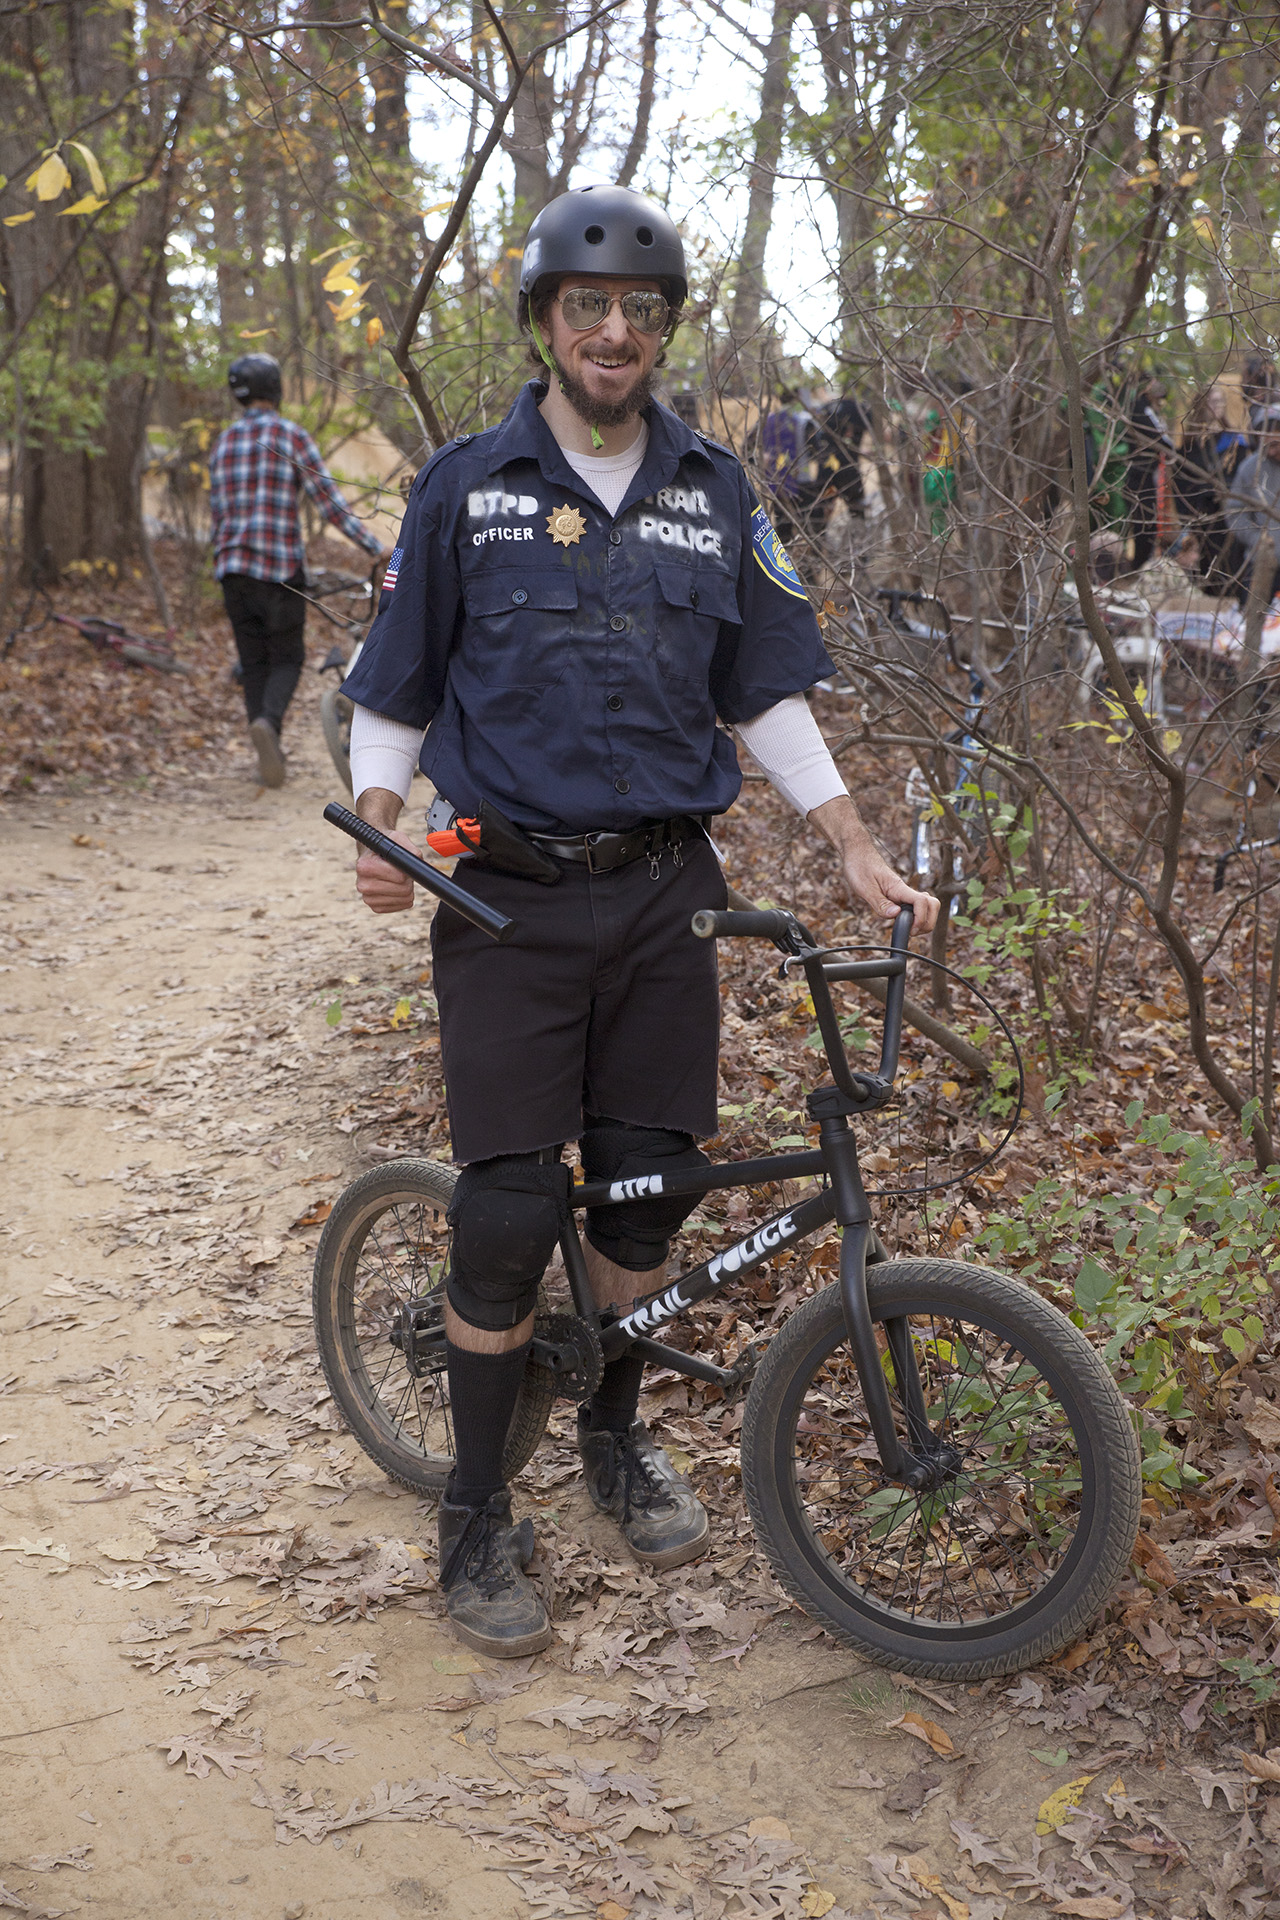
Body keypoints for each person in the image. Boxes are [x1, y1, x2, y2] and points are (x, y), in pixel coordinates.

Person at [339, 183, 939, 1659]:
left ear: (665, 331)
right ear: (545, 320)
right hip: (506, 895)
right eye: (587, 307)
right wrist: (384, 811)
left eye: (642, 311)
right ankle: (476, 1512)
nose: (615, 332)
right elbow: (391, 682)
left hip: (673, 892)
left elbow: (766, 689)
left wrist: (849, 838)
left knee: (647, 1192)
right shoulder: (468, 485)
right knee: (502, 1218)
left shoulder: (715, 489)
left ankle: (613, 1431)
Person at [208, 353, 390, 788]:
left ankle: (266, 751)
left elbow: (216, 515)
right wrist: (375, 546)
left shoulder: (224, 443)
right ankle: (268, 724)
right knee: (289, 657)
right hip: (278, 572)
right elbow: (329, 505)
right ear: (276, 389)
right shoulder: (290, 436)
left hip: (233, 573)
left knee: (254, 664)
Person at [1173, 383, 1249, 597]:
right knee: (1206, 571)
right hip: (1203, 520)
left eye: (1219, 401)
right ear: (1200, 405)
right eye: (1211, 401)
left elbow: (1242, 479)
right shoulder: (1190, 446)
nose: (1216, 406)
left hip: (1230, 519)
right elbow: (1181, 485)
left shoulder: (1235, 442)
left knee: (1232, 569)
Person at [1224, 405, 1280, 608]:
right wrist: (1258, 540)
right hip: (1261, 564)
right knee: (1255, 618)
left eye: (1276, 442)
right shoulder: (1250, 468)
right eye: (1266, 444)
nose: (1272, 450)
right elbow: (1235, 513)